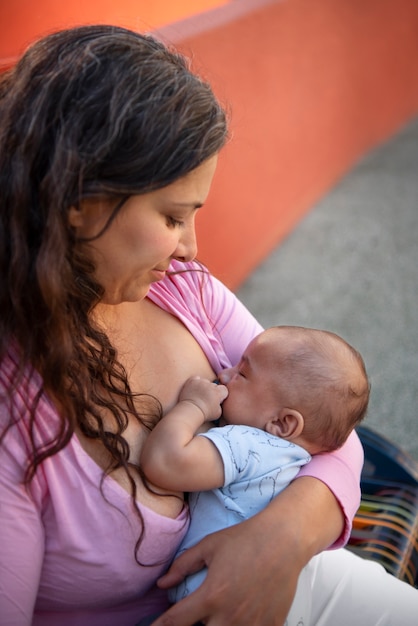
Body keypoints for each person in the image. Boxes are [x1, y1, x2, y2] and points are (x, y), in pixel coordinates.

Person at [0, 23, 417, 626]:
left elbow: (328, 426)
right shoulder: (15, 414)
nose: (192, 249)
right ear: (77, 202)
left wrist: (280, 542)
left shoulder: (183, 293)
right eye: (172, 217)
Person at [140, 325, 370, 610]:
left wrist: (194, 405)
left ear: (283, 424)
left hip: (214, 605)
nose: (223, 375)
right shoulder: (296, 459)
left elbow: (165, 462)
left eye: (242, 374)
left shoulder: (249, 446)